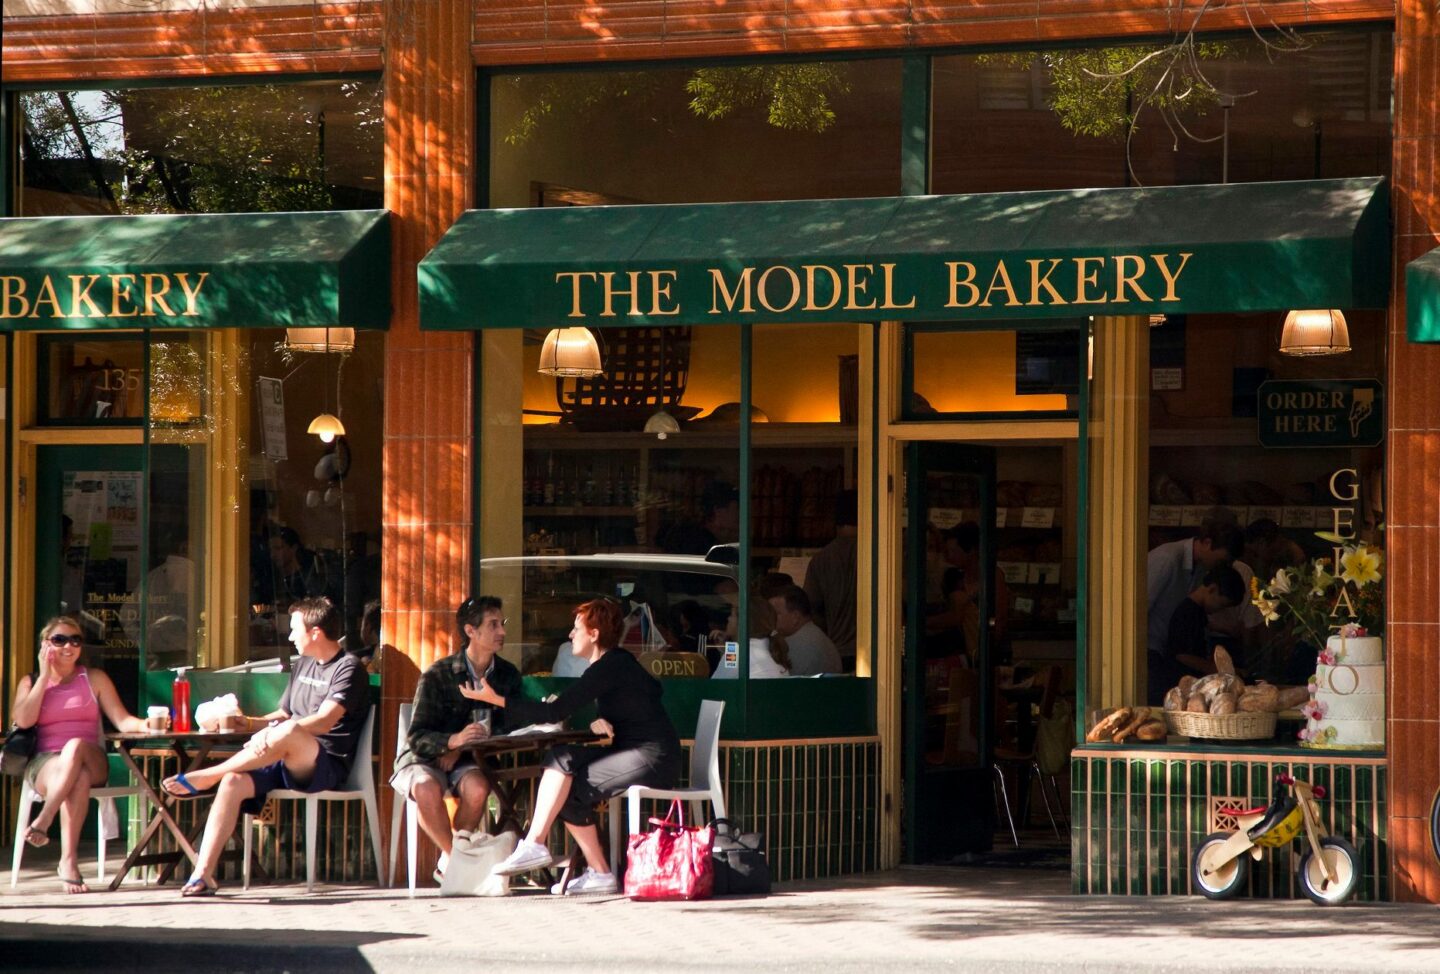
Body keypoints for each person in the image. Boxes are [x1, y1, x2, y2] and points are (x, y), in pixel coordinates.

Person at [466, 598, 681, 895]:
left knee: (568, 779)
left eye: (576, 628)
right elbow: (642, 694)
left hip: (651, 758)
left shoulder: (609, 666)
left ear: (593, 634)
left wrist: (497, 700)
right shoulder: (617, 664)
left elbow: (556, 712)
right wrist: (603, 717)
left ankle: (538, 844)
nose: (570, 634)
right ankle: (595, 871)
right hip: (639, 752)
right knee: (562, 765)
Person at [161, 596, 369, 897]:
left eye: (294, 628)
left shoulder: (348, 668)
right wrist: (245, 723)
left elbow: (324, 722)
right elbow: (282, 715)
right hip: (279, 755)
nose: (289, 636)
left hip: (322, 763)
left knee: (286, 733)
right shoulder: (304, 665)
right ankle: (202, 874)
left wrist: (280, 731)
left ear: (315, 632)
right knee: (233, 782)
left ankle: (210, 774)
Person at [10, 617, 146, 894]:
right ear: (45, 645)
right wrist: (44, 675)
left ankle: (45, 818)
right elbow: (23, 720)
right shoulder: (31, 681)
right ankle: (68, 862)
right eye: (59, 640)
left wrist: (147, 724)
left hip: (90, 756)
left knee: (75, 747)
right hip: (46, 762)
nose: (68, 645)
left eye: (75, 640)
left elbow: (122, 721)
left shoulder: (94, 678)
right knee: (78, 777)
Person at [390, 596, 522, 873]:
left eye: (502, 623)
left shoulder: (508, 675)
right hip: (424, 758)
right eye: (493, 624)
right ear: (470, 631)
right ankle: (455, 857)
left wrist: (461, 748)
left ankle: (453, 860)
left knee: (478, 788)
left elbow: (509, 727)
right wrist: (450, 741)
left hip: (471, 758)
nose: (502, 632)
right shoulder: (438, 674)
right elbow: (416, 736)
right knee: (425, 788)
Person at [1146, 522, 1245, 667]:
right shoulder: (1167, 559)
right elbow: (1138, 608)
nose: (1223, 567)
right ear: (1207, 543)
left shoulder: (1200, 566)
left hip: (1164, 649)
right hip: (1149, 648)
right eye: (1222, 561)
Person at [1148, 565, 1245, 705]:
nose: (1219, 609)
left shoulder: (1199, 612)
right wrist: (1215, 669)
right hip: (1180, 681)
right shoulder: (1188, 612)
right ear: (1212, 589)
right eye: (1221, 604)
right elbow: (1182, 654)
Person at [804, 489, 858, 668]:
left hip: (835, 651)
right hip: (875, 652)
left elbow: (810, 609)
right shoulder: (879, 555)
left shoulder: (821, 559)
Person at [767, 585, 841, 676]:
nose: (770, 618)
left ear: (795, 617)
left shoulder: (795, 645)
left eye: (776, 613)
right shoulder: (815, 636)